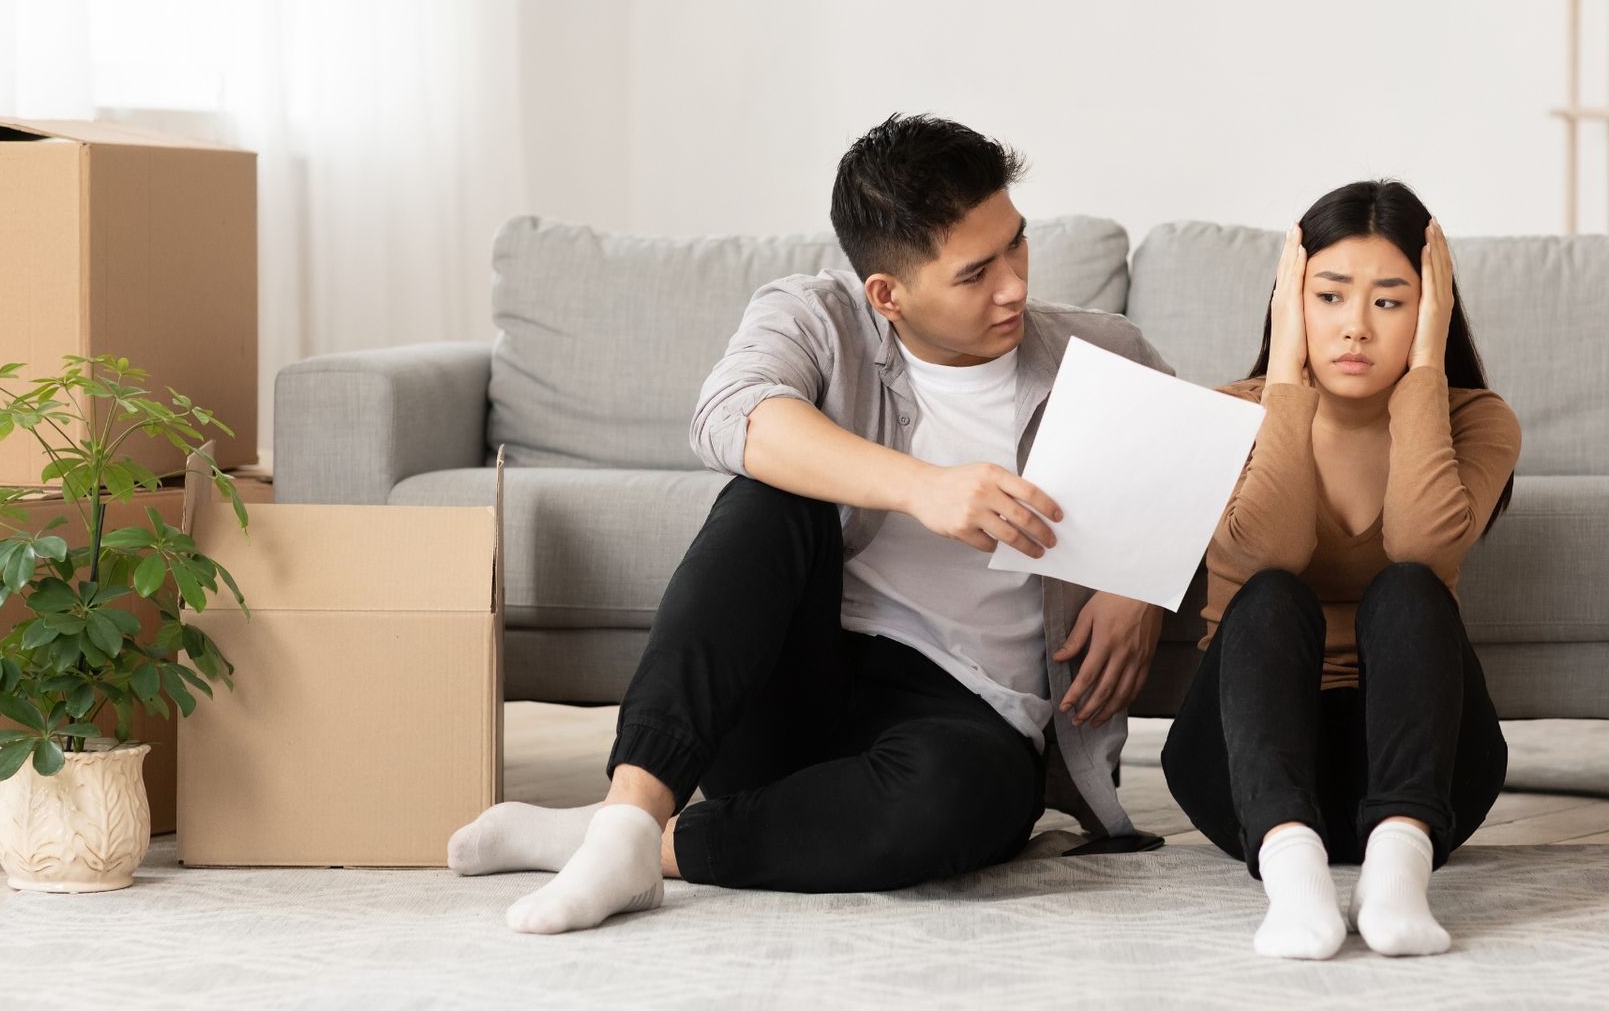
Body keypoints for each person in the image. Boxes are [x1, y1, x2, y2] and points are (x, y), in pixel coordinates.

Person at [448, 113, 1172, 934]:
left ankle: (621, 843)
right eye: (975, 273)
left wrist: (1137, 582)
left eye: (1017, 245)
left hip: (971, 712)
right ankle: (629, 812)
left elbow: (1200, 474)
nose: (1012, 285)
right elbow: (730, 414)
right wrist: (922, 488)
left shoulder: (1105, 354)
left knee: (961, 806)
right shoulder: (816, 315)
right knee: (767, 496)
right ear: (886, 293)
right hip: (796, 678)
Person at [1161, 180, 1521, 959]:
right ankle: (1294, 878)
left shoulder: (1477, 421)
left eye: (1391, 302)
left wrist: (1425, 373)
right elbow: (1269, 553)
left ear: (1432, 310)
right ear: (1291, 302)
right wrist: (1286, 381)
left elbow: (1424, 546)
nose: (1355, 326)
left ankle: (1398, 872)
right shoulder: (1232, 415)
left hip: (1422, 778)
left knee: (1410, 588)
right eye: (1328, 296)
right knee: (1269, 595)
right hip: (1245, 764)